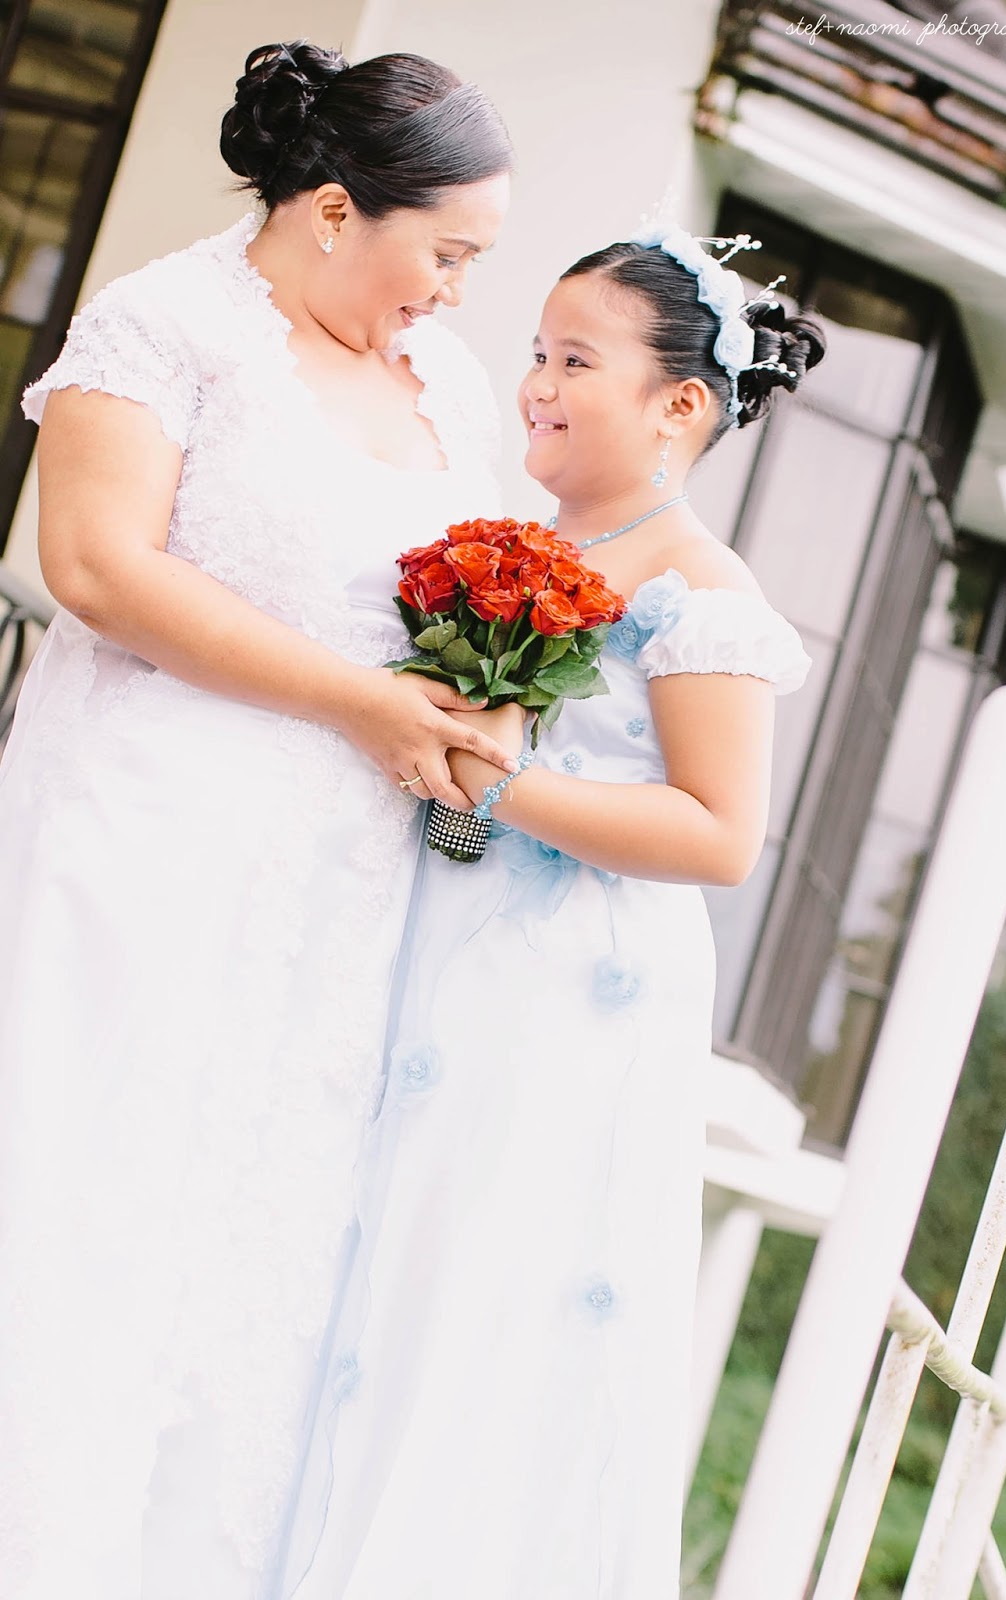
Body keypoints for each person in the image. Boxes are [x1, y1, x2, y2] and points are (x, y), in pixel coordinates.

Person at [0, 41, 515, 1598]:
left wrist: (492, 697)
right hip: (151, 838)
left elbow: (476, 589)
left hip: (341, 883)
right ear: (336, 209)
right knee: (101, 1191)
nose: (457, 293)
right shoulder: (164, 322)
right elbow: (97, 567)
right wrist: (358, 703)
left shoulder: (448, 385)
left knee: (252, 1232)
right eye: (446, 254)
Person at [272, 228, 824, 1597]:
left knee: (479, 1292)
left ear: (677, 403)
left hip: (569, 993)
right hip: (432, 952)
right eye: (535, 351)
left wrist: (507, 784)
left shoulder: (701, 589)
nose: (535, 383)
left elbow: (721, 834)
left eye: (575, 360)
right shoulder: (518, 549)